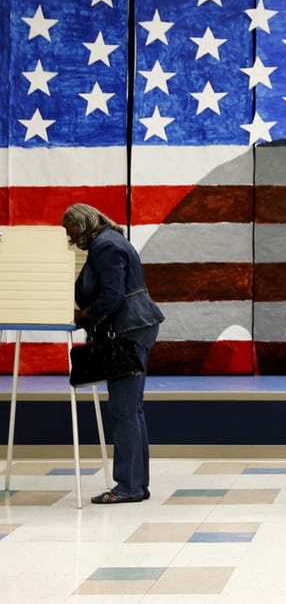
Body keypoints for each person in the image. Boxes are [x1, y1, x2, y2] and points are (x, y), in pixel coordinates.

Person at [62, 203, 164, 504]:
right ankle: (137, 483)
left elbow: (112, 295)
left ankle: (127, 486)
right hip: (137, 327)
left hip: (128, 329)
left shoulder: (105, 246)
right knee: (131, 410)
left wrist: (85, 317)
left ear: (84, 224)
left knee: (123, 410)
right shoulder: (113, 240)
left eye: (72, 232)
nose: (71, 239)